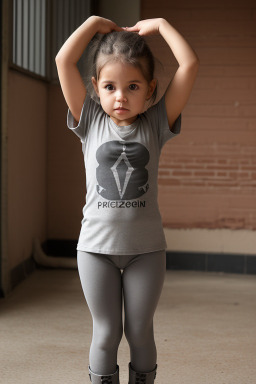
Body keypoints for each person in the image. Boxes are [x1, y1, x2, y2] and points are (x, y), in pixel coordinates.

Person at [55, 15, 199, 384]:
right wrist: (91, 24)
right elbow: (62, 60)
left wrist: (164, 26)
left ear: (150, 90)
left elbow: (190, 64)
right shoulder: (88, 119)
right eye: (110, 86)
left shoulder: (156, 123)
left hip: (146, 251)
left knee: (139, 332)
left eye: (133, 86)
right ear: (96, 88)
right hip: (95, 249)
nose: (121, 96)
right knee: (105, 333)